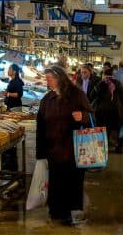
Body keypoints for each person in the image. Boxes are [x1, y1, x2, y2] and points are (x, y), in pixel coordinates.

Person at [36, 65, 91, 226]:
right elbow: (40, 125)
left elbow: (93, 117)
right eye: (46, 79)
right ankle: (55, 210)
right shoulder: (47, 99)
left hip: (73, 147)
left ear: (60, 78)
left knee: (70, 181)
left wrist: (83, 117)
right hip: (53, 148)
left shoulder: (76, 95)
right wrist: (41, 153)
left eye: (49, 79)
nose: (47, 82)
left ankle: (67, 213)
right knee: (54, 181)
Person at [92, 68, 123, 152]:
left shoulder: (100, 84)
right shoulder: (118, 83)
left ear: (104, 75)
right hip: (116, 110)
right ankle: (117, 147)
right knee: (116, 128)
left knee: (104, 129)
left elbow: (92, 95)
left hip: (102, 111)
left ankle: (104, 146)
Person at [1, 64, 24, 171]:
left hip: (15, 108)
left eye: (9, 69)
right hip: (11, 107)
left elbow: (19, 94)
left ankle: (12, 152)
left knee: (13, 127)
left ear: (14, 71)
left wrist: (8, 94)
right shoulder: (12, 81)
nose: (8, 71)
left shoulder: (17, 82)